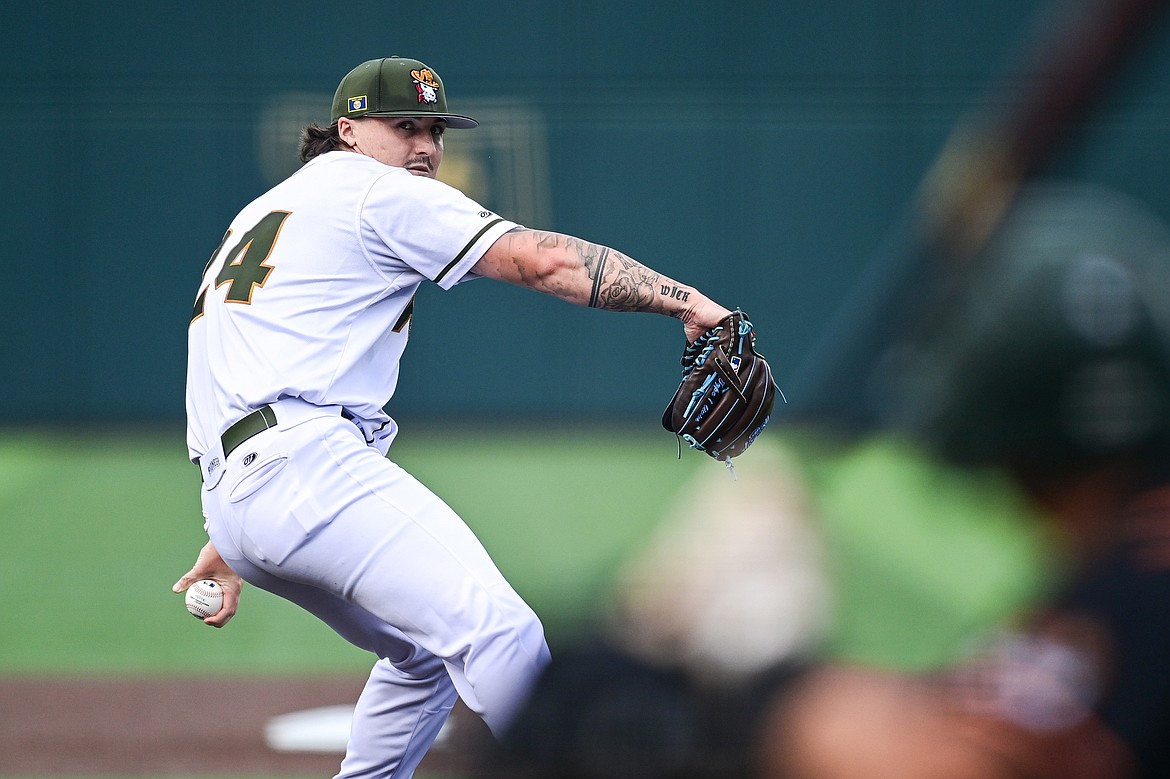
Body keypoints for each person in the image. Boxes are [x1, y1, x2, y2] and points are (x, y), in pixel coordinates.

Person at [478, 181, 1170, 779]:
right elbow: (990, 717)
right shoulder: (1123, 567)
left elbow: (964, 762)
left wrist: (730, 715)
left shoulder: (1141, 583)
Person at [171, 56, 733, 779]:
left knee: (425, 651)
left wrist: (234, 520)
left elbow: (232, 354)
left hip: (244, 487)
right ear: (348, 130)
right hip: (302, 465)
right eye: (404, 126)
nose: (425, 148)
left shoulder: (265, 210)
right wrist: (685, 300)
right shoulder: (380, 192)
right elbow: (541, 261)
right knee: (502, 634)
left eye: (434, 130)